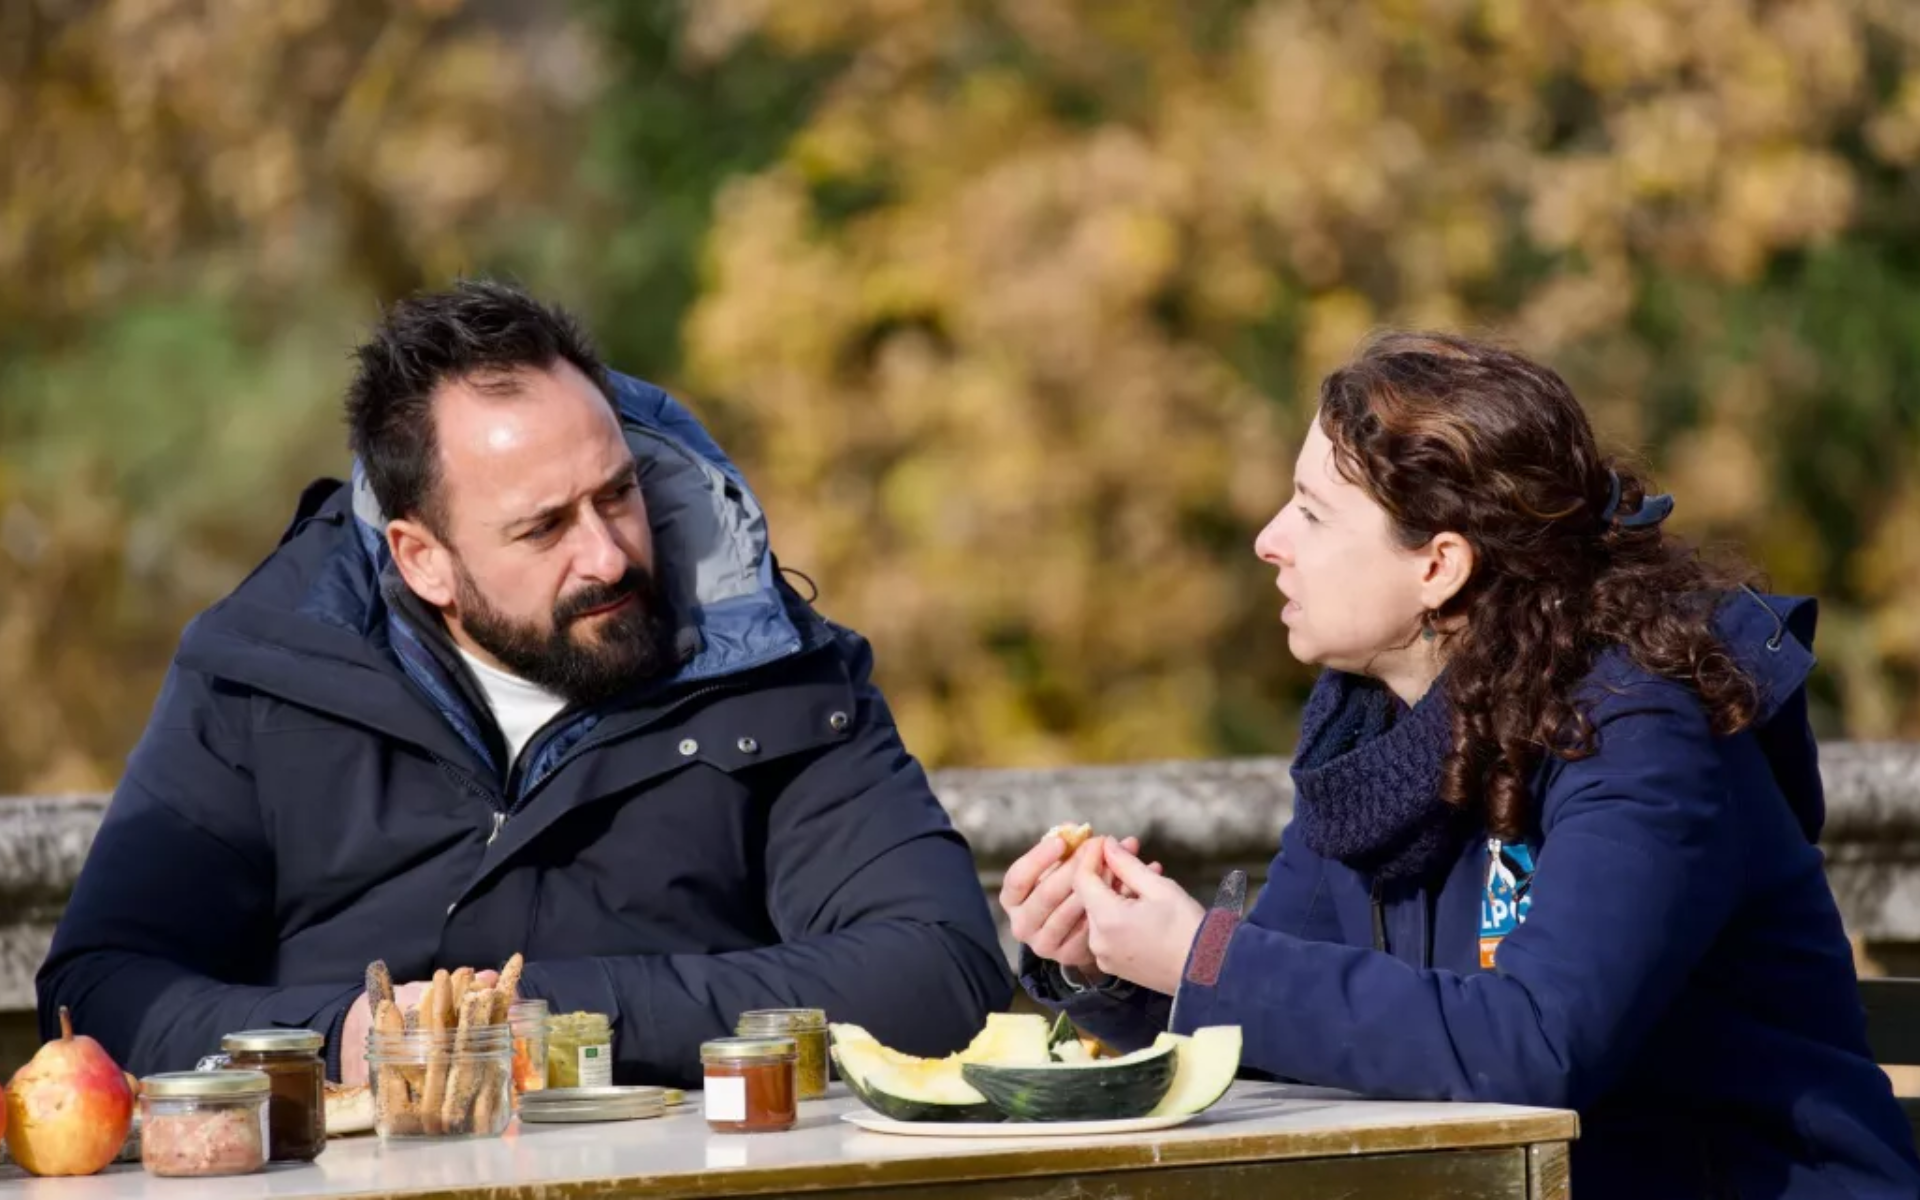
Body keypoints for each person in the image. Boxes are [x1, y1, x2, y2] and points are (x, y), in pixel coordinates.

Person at [1002, 332, 1920, 1198]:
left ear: (1439, 566)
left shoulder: (1642, 727)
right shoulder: (1368, 738)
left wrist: (1203, 955)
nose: (1268, 540)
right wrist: (1120, 970)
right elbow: (1278, 1026)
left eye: (1313, 513)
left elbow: (1537, 1046)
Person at [39, 279, 1012, 1087]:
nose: (608, 555)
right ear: (422, 558)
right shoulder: (259, 675)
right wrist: (343, 1042)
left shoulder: (773, 669)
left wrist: (537, 1023)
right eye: (544, 527)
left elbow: (941, 975)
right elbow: (103, 991)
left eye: (619, 493)